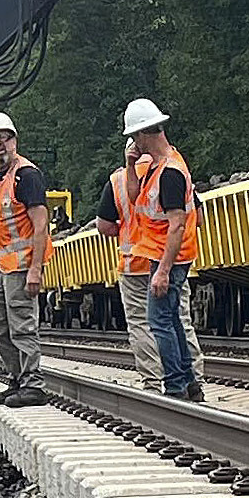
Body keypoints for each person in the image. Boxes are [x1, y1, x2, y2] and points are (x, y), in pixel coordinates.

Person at [117, 96, 203, 402]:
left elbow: (177, 225)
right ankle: (190, 382)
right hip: (161, 255)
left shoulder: (170, 173)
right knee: (171, 318)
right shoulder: (158, 167)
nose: (133, 144)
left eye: (133, 138)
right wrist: (130, 164)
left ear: (142, 135)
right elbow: (132, 195)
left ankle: (176, 386)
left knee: (159, 322)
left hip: (170, 258)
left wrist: (164, 271)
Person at [0, 109, 52, 405]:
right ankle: (17, 379)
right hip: (1, 268)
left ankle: (33, 385)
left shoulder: (27, 176)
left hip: (22, 267)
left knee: (22, 326)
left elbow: (41, 225)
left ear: (14, 140)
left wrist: (35, 270)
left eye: (3, 138)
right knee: (0, 327)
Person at [93, 160, 162, 386]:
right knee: (175, 320)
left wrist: (124, 230)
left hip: (134, 264)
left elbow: (103, 225)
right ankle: (187, 380)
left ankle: (153, 380)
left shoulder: (117, 180)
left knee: (141, 323)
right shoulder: (170, 168)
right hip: (165, 261)